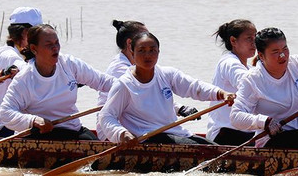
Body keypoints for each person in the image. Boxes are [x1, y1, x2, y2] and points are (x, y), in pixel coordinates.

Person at [99, 31, 235, 145]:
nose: (148, 55)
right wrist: (122, 134)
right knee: (209, 153)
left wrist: (221, 93)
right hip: (147, 138)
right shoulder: (124, 85)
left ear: (159, 52)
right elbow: (106, 116)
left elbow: (194, 87)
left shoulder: (167, 74)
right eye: (141, 51)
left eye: (152, 50)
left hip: (174, 132)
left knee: (214, 148)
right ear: (132, 52)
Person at [0, 24, 115, 140]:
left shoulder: (69, 63)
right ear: (34, 49)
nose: (55, 48)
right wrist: (33, 120)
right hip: (38, 135)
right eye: (49, 45)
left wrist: (129, 86)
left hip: (71, 130)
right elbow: (5, 112)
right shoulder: (24, 79)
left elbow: (102, 81)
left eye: (57, 43)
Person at [0, 7, 43, 137]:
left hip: (20, 123)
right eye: (36, 33)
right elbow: (30, 73)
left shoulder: (28, 54)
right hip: (2, 127)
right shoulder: (7, 55)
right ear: (23, 32)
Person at [206, 19, 257, 145]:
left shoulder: (249, 69)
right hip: (224, 134)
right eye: (249, 38)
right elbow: (246, 83)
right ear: (233, 41)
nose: (254, 42)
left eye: (255, 37)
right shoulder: (229, 62)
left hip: (243, 132)